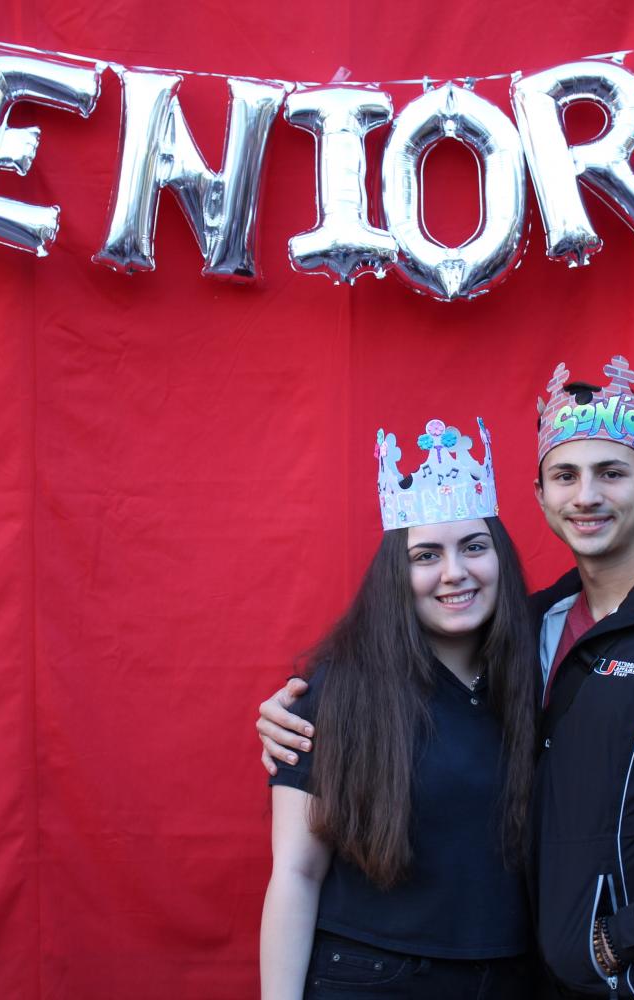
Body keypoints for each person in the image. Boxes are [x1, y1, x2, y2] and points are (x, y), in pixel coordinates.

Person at [260, 356, 634, 999]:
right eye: (566, 476)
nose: (586, 496)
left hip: (631, 973)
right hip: (408, 977)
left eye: (611, 473)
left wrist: (619, 938)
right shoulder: (515, 644)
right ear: (541, 495)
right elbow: (298, 868)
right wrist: (295, 714)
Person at [259, 416, 537, 1000]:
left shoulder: (543, 671)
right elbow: (296, 872)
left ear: (500, 559)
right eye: (426, 555)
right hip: (373, 978)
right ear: (396, 573)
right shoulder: (338, 692)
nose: (455, 573)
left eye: (474, 547)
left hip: (518, 977)